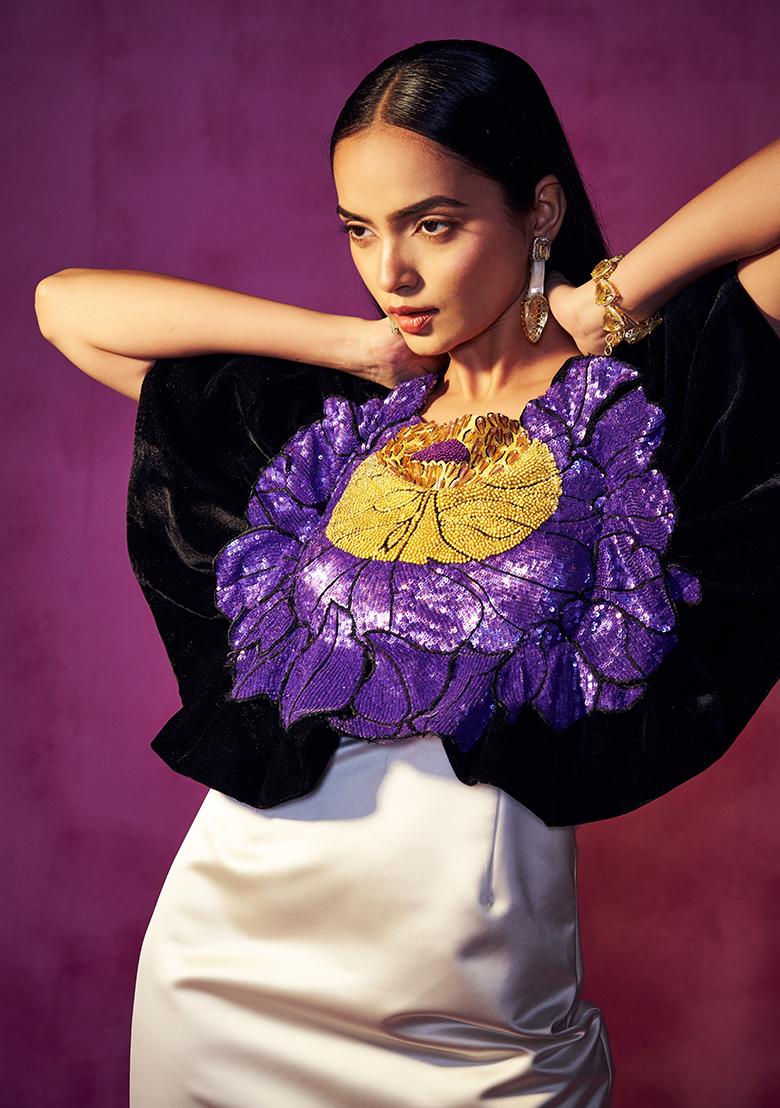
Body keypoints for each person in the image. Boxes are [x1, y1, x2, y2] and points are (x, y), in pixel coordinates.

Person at [35, 38, 780, 1108]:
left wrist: (611, 297)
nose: (391, 271)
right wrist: (349, 347)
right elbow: (65, 304)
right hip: (226, 973)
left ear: (540, 209)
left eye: (432, 222)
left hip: (481, 1024)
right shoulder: (332, 431)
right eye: (358, 229)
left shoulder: (652, 404)